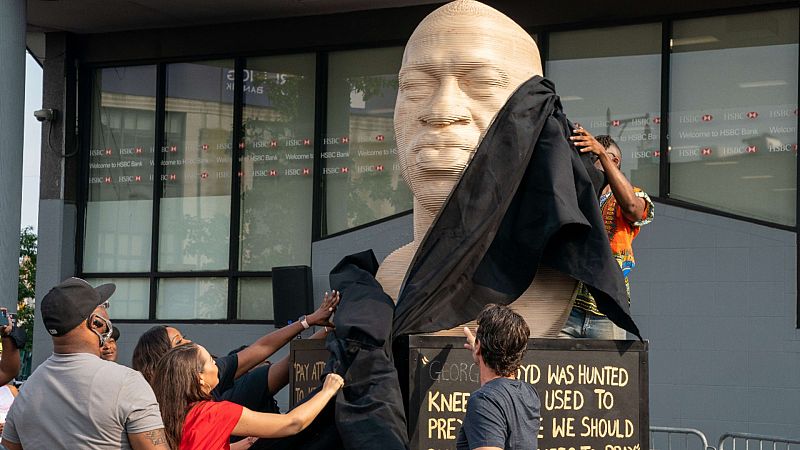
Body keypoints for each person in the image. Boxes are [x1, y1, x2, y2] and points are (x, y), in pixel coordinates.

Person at [375, 0, 578, 337]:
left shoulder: (557, 278)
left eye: (482, 83)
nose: (442, 110)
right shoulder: (390, 277)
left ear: (535, 114)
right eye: (415, 85)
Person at [1, 277, 167, 450]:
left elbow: (8, 446)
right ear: (95, 322)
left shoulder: (26, 391)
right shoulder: (128, 383)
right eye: (103, 306)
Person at [132, 290, 339, 402]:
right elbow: (290, 424)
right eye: (179, 342)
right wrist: (327, 392)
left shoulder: (214, 387)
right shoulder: (223, 404)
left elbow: (261, 347)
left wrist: (312, 323)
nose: (190, 343)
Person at [151, 342, 344, 449]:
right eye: (211, 361)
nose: (216, 365)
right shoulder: (214, 413)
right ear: (199, 378)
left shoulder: (169, 414)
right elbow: (293, 423)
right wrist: (327, 390)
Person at [561, 130, 655, 339]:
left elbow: (633, 208)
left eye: (592, 157)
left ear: (614, 160)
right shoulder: (575, 193)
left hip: (607, 312)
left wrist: (601, 153)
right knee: (558, 370)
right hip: (565, 309)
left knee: (606, 370)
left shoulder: (634, 194)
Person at [457, 304, 540, 450]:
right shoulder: (529, 393)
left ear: (479, 347)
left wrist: (480, 350)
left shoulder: (485, 400)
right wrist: (480, 349)